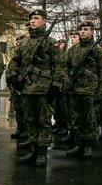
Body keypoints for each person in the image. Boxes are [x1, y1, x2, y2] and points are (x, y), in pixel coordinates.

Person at [6, 9, 64, 166]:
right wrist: (13, 77)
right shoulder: (24, 43)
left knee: (43, 122)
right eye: (31, 19)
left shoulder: (50, 43)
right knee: (30, 121)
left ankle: (42, 153)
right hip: (27, 88)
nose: (32, 21)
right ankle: (33, 149)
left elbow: (59, 66)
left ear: (44, 21)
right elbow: (14, 62)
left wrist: (56, 86)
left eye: (36, 18)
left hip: (44, 89)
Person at [64, 20, 102, 158]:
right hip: (75, 89)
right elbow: (64, 67)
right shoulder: (73, 50)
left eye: (86, 29)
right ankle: (78, 144)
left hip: (90, 90)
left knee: (90, 120)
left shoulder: (98, 51)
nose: (83, 31)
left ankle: (88, 145)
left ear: (92, 31)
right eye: (81, 29)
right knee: (76, 119)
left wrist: (101, 91)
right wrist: (67, 81)